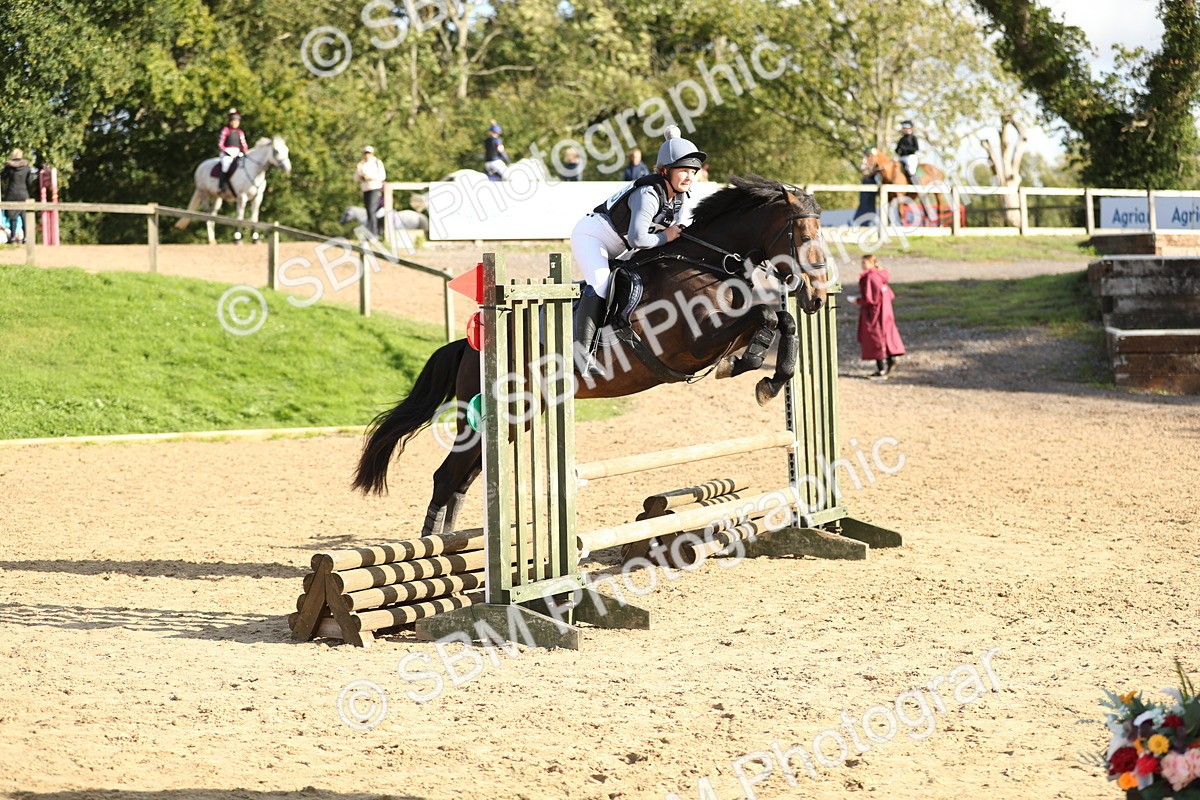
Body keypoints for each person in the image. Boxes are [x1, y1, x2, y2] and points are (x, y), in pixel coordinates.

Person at [570, 126, 706, 376]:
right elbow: (639, 238)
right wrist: (666, 236)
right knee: (601, 284)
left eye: (693, 171)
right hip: (593, 236)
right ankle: (581, 357)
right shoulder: (648, 193)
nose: (689, 176)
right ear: (665, 171)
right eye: (683, 170)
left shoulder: (679, 197)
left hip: (622, 247)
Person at [852, 254, 905, 378]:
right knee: (885, 336)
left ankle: (883, 367)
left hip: (874, 313)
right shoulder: (880, 275)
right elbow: (890, 295)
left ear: (871, 263)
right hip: (885, 311)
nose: (863, 266)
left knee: (874, 338)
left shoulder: (870, 277)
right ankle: (889, 361)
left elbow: (871, 299)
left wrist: (858, 301)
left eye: (865, 263)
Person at [1, 149, 34, 244]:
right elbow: (29, 181)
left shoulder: (9, 167)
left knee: (13, 217)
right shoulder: (26, 168)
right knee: (24, 217)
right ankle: (26, 237)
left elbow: (3, 177)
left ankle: (12, 237)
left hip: (11, 193)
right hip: (23, 194)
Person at [355, 145, 387, 238]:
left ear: (372, 153)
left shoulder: (377, 162)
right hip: (365, 189)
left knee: (372, 210)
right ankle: (370, 232)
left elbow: (382, 176)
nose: (367, 155)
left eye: (368, 153)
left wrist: (369, 177)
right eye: (365, 153)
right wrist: (359, 170)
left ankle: (374, 233)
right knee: (368, 211)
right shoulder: (361, 164)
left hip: (375, 188)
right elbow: (356, 178)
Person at [217, 108, 249, 197]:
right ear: (230, 121)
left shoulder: (240, 132)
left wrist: (244, 151)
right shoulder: (225, 130)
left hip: (238, 153)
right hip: (227, 154)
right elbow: (220, 144)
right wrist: (226, 151)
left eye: (237, 121)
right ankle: (221, 186)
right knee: (225, 166)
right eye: (234, 121)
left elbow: (244, 145)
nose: (235, 123)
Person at [895, 120, 919, 184]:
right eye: (904, 128)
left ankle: (916, 184)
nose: (905, 130)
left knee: (911, 170)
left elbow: (916, 148)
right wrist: (899, 150)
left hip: (910, 157)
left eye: (907, 128)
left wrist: (905, 149)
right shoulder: (901, 139)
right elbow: (896, 150)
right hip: (902, 157)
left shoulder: (913, 138)